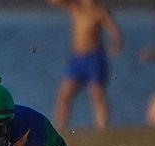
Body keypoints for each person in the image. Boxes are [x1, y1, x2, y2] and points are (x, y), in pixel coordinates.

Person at [50, 0, 124, 129]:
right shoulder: (75, 8)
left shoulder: (100, 11)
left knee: (97, 94)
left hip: (94, 57)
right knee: (65, 94)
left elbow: (116, 33)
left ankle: (102, 129)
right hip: (77, 58)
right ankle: (59, 128)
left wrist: (115, 45)